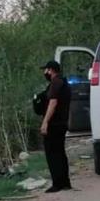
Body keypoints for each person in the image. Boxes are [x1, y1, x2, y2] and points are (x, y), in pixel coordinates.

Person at [40, 60, 72, 193]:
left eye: (46, 70)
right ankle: (65, 182)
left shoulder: (55, 83)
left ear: (51, 70)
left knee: (52, 154)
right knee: (60, 152)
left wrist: (45, 122)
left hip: (54, 124)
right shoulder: (64, 83)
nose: (44, 72)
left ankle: (57, 183)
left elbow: (53, 103)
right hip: (62, 123)